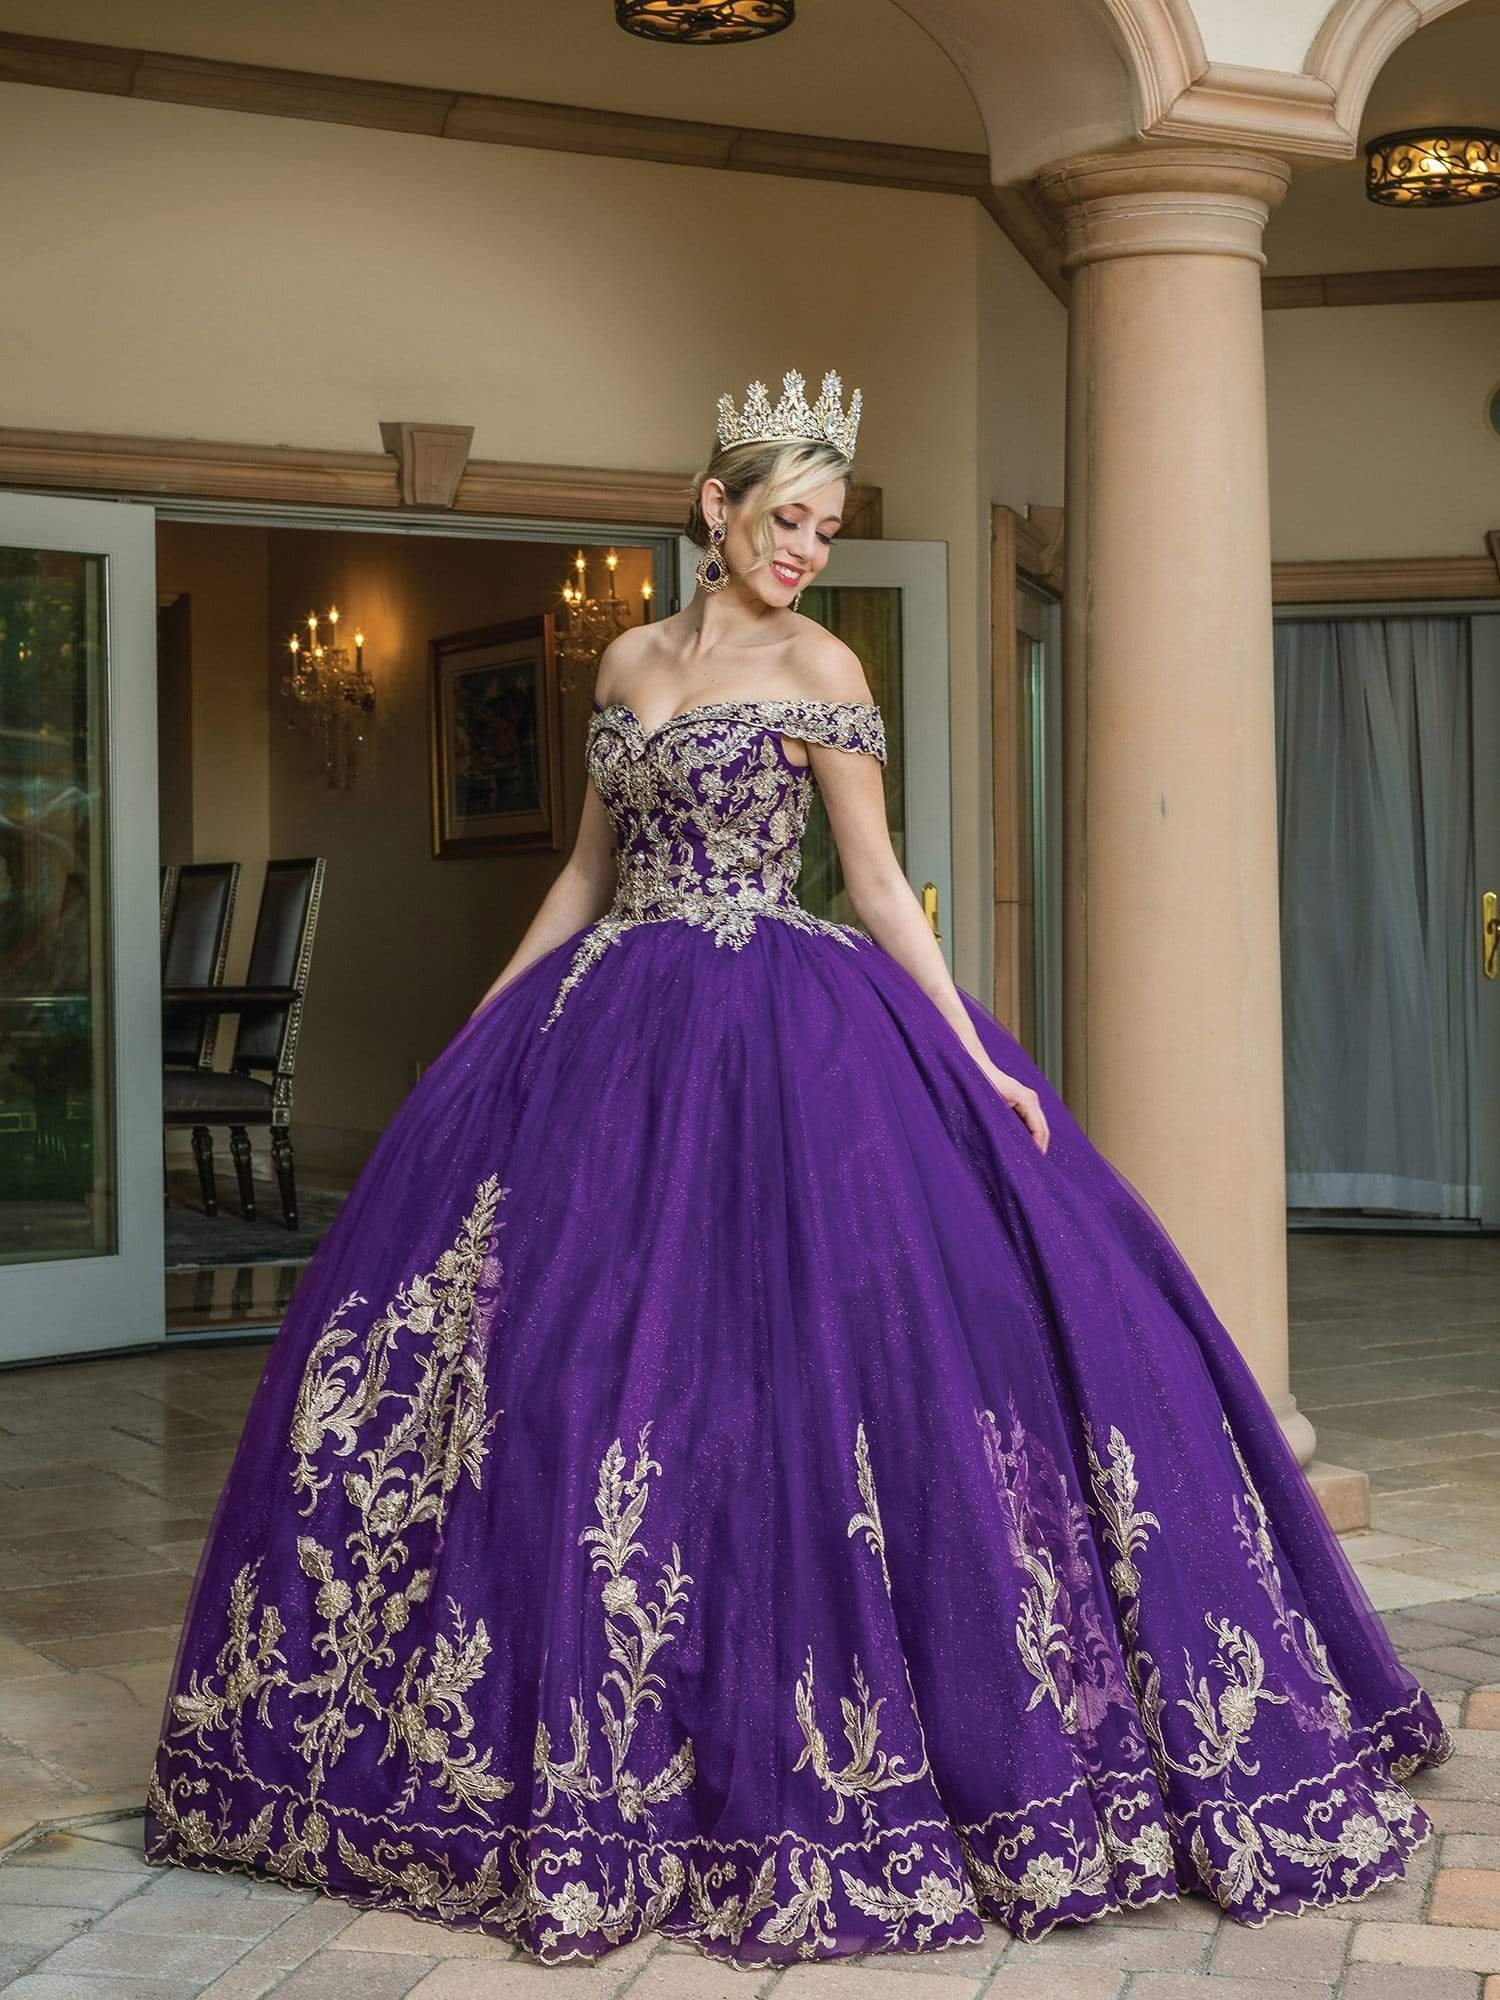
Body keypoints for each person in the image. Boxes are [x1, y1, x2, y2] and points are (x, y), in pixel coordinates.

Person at [145, 367, 1451, 1969]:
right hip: (609, 1027)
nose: (808, 551)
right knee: (555, 1377)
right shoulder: (625, 659)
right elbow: (579, 876)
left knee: (812, 1374)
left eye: (827, 528)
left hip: (784, 1030)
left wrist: (978, 1060)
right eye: (786, 520)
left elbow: (884, 887)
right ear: (714, 506)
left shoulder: (822, 663)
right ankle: (565, 1763)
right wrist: (473, 1043)